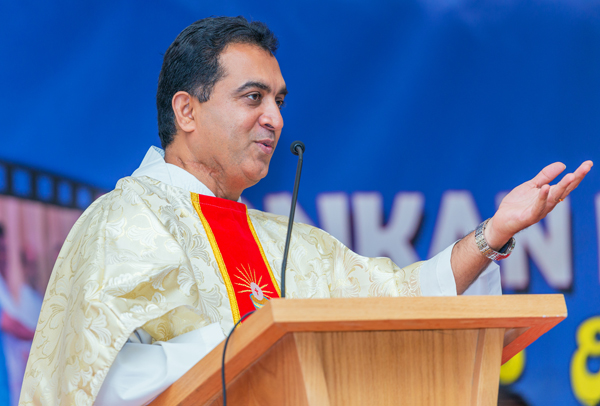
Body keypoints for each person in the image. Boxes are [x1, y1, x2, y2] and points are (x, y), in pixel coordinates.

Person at [19, 16, 592, 406]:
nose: (274, 118)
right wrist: (253, 340)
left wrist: (492, 234)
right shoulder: (124, 223)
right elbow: (96, 381)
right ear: (187, 111)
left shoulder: (285, 240)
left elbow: (403, 299)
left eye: (279, 100)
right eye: (253, 97)